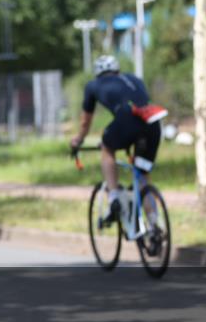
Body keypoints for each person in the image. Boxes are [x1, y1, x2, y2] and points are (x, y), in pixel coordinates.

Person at [69, 55, 166, 223]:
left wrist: (78, 139)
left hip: (127, 120)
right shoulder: (134, 79)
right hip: (152, 122)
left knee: (107, 148)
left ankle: (113, 197)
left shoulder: (93, 85)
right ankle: (154, 225)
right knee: (142, 176)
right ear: (117, 69)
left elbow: (85, 122)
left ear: (97, 73)